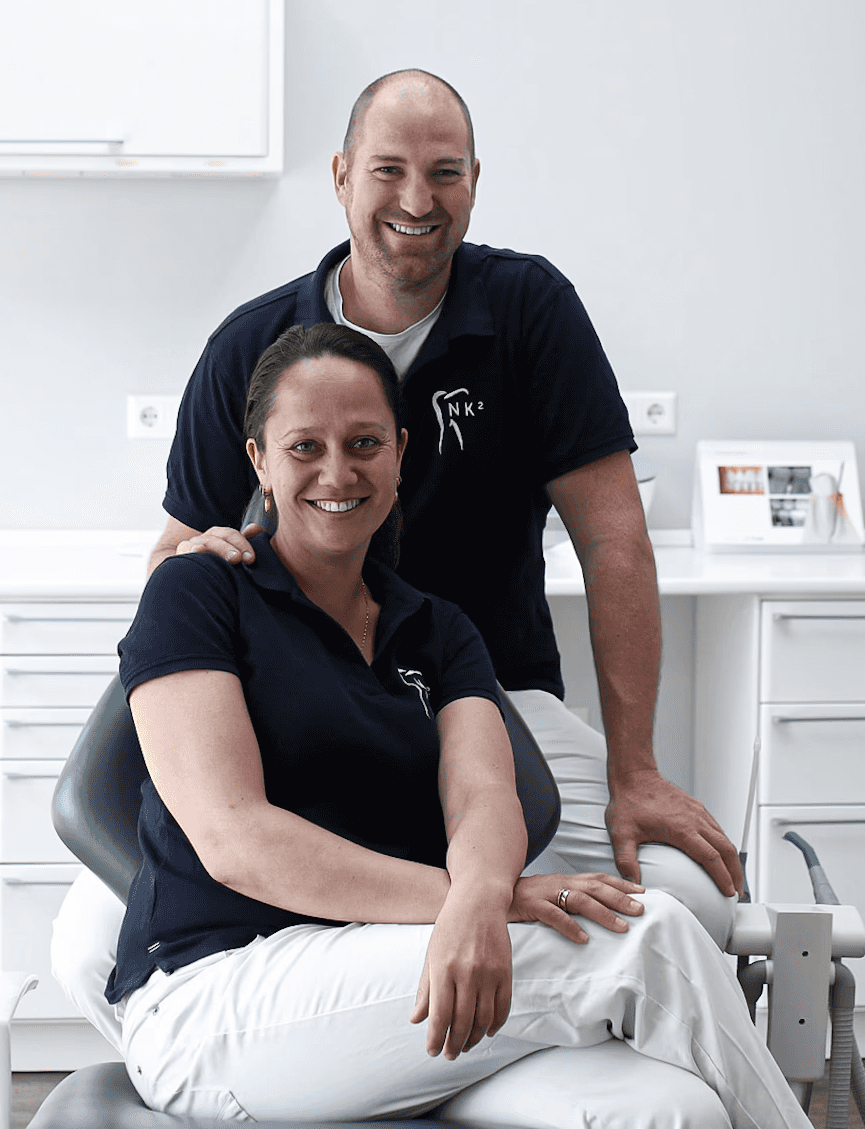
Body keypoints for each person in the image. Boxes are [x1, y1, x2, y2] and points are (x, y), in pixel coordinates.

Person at [96, 323, 806, 1127]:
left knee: (672, 1111)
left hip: (406, 974)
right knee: (655, 938)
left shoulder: (437, 629)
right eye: (304, 447)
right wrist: (470, 904)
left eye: (364, 442)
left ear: (400, 454)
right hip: (219, 998)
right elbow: (236, 841)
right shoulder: (198, 593)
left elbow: (483, 800)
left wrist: (476, 899)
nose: (338, 471)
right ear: (258, 460)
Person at [150, 69, 740, 931]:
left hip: (495, 692)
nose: (416, 198)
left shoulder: (530, 313)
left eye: (445, 172)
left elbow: (615, 541)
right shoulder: (251, 346)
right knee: (101, 934)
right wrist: (202, 556)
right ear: (342, 175)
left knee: (689, 906)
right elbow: (177, 554)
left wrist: (636, 769)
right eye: (387, 169)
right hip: (303, 702)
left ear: (474, 179)